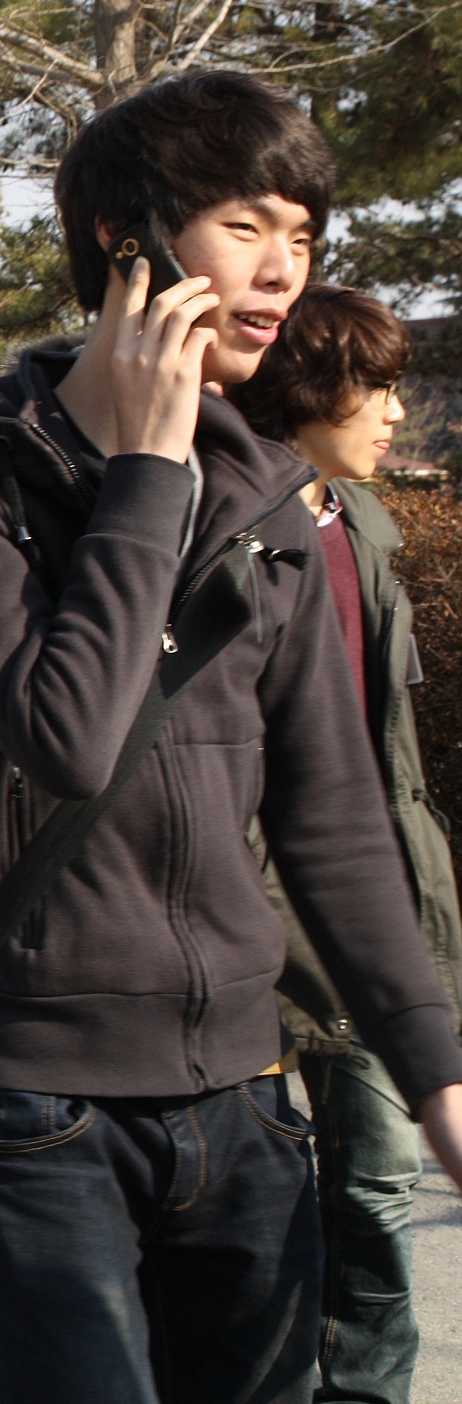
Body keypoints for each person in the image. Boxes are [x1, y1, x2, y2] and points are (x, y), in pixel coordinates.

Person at [0, 71, 462, 1404]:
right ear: (123, 238)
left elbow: (332, 814)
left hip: (246, 1098)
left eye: (301, 235)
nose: (282, 269)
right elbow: (69, 734)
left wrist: (434, 1065)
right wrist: (148, 474)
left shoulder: (269, 501)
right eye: (246, 225)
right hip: (41, 1105)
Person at [226, 285, 460, 1404]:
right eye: (375, 388)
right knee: (245, 1193)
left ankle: (367, 1388)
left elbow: (386, 741)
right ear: (309, 390)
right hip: (238, 908)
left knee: (378, 1178)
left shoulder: (364, 525)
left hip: (367, 897)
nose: (395, 413)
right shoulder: (217, 523)